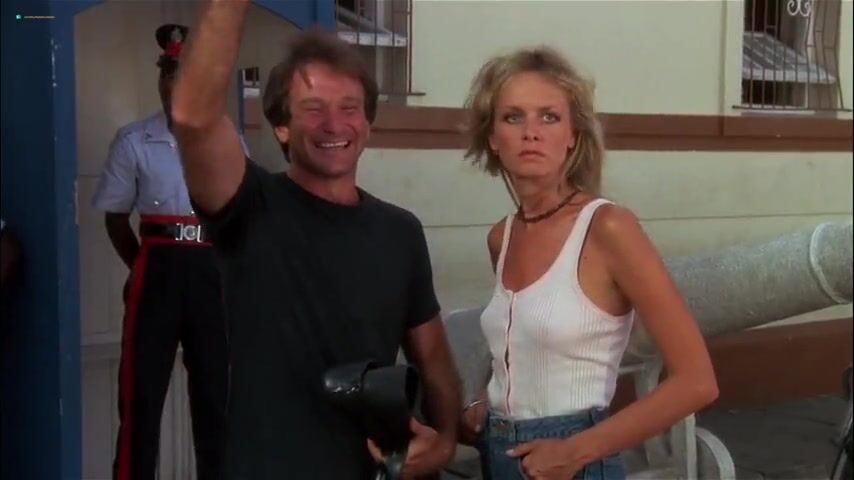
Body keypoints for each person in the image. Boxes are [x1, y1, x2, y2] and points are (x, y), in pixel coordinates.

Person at [170, 2, 462, 479]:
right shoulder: (249, 206)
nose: (333, 124)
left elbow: (433, 358)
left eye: (349, 108)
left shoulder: (400, 230)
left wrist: (445, 441)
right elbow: (192, 118)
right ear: (281, 126)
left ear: (367, 123)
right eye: (313, 109)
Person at [458, 47, 719, 480]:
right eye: (513, 117)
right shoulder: (502, 237)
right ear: (492, 137)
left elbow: (697, 381)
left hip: (575, 459)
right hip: (499, 451)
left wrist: (574, 452)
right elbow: (526, 344)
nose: (531, 133)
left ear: (573, 135)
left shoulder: (607, 227)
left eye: (549, 117)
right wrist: (491, 400)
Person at [91, 24, 244, 480]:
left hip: (211, 273)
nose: (171, 84)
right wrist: (144, 265)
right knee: (140, 396)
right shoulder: (134, 140)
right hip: (157, 271)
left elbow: (239, 211)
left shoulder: (225, 138)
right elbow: (116, 219)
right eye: (166, 73)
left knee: (217, 399)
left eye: (182, 74)